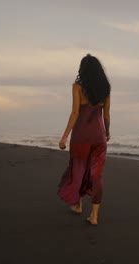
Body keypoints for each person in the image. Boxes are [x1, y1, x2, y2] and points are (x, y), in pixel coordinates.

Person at [57, 54, 111, 226]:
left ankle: (78, 205)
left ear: (83, 69)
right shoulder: (105, 88)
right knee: (96, 175)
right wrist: (107, 132)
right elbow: (106, 115)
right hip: (99, 137)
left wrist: (64, 136)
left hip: (81, 137)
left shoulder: (78, 87)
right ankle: (94, 216)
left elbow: (75, 113)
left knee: (78, 170)